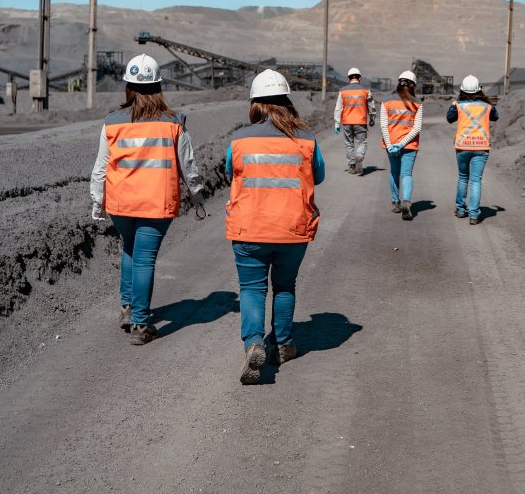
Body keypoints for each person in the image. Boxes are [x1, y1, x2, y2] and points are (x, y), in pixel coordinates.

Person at [90, 53, 205, 345]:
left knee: (130, 249)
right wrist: (197, 195)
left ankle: (128, 307)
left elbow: (101, 167)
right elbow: (187, 164)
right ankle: (140, 323)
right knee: (144, 258)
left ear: (128, 87)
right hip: (157, 202)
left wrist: (97, 202)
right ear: (158, 87)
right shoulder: (174, 123)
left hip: (121, 202)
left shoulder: (111, 123)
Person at [225, 69, 325, 385]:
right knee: (284, 286)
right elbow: (318, 176)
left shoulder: (239, 139)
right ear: (287, 102)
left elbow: (231, 172)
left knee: (253, 288)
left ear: (255, 104)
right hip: (292, 228)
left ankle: (254, 343)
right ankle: (282, 345)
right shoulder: (306, 140)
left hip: (249, 228)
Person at [447, 75, 498, 225]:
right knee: (476, 181)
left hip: (462, 147)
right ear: (479, 89)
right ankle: (474, 215)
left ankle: (460, 209)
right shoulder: (488, 106)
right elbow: (495, 117)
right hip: (481, 147)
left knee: (463, 177)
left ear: (462, 90)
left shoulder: (458, 105)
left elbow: (449, 118)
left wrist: (453, 106)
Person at [380, 70, 423, 221]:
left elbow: (383, 125)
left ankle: (394, 203)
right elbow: (417, 128)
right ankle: (406, 202)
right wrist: (402, 144)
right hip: (409, 145)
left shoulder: (386, 101)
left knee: (394, 171)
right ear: (413, 85)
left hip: (391, 144)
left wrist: (392, 144)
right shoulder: (417, 103)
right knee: (406, 174)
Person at [334, 67, 374, 175]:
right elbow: (371, 106)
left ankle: (351, 166)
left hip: (347, 122)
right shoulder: (365, 90)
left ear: (348, 78)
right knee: (362, 142)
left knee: (349, 144)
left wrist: (337, 123)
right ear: (360, 78)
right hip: (360, 121)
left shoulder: (343, 91)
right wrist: (372, 118)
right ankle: (360, 155)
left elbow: (338, 108)